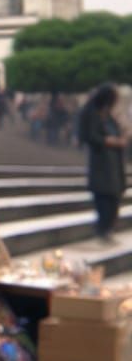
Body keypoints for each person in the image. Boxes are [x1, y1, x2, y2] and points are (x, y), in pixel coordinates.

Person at [78, 84, 127, 244]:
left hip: (115, 164)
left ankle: (108, 229)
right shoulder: (91, 113)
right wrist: (108, 141)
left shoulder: (110, 116)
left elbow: (119, 134)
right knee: (104, 199)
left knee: (115, 198)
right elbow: (88, 135)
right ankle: (103, 230)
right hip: (102, 164)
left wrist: (121, 136)